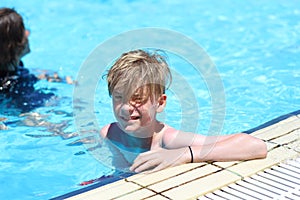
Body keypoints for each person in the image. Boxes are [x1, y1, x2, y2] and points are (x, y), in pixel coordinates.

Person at [100, 49, 267, 174]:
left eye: (137, 98)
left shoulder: (167, 139)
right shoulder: (110, 134)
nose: (125, 107)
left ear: (160, 103)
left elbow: (256, 146)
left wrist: (184, 154)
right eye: (118, 97)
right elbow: (121, 171)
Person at [0, 8, 74, 114]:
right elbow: (30, 117)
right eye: (23, 31)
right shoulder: (16, 90)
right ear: (14, 46)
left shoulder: (10, 67)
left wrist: (46, 76)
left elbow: (21, 74)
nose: (28, 33)